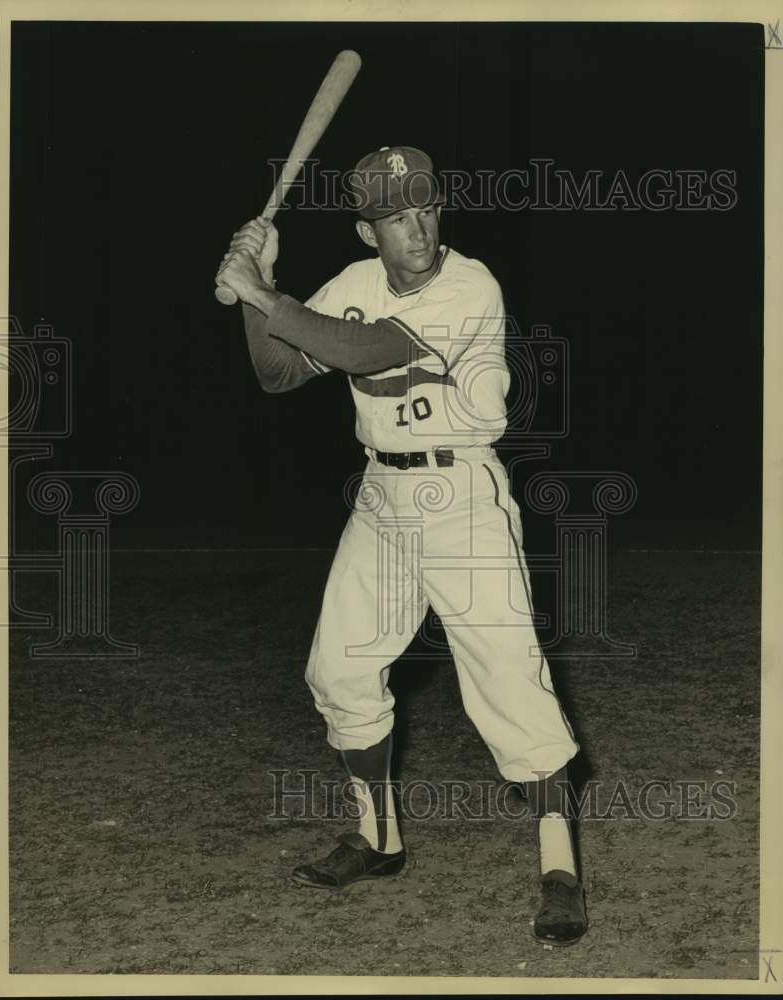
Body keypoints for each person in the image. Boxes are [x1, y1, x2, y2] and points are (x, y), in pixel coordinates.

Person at [215, 146, 588, 946]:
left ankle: (559, 866)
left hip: (462, 498)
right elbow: (280, 373)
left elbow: (369, 350)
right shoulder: (349, 286)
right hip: (382, 496)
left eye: (423, 206)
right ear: (366, 230)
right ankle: (377, 837)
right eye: (394, 215)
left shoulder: (469, 283)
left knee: (508, 685)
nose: (415, 226)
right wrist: (256, 294)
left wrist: (262, 290)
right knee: (338, 669)